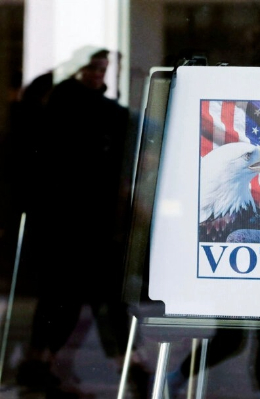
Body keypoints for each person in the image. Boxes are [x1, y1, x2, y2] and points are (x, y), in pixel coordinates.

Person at [16, 48, 136, 396]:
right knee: (71, 296)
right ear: (78, 68)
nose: (101, 74)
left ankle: (44, 362)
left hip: (76, 218)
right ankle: (47, 362)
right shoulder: (71, 98)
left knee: (68, 296)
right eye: (94, 67)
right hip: (70, 219)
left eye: (105, 68)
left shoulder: (72, 99)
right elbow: (119, 121)